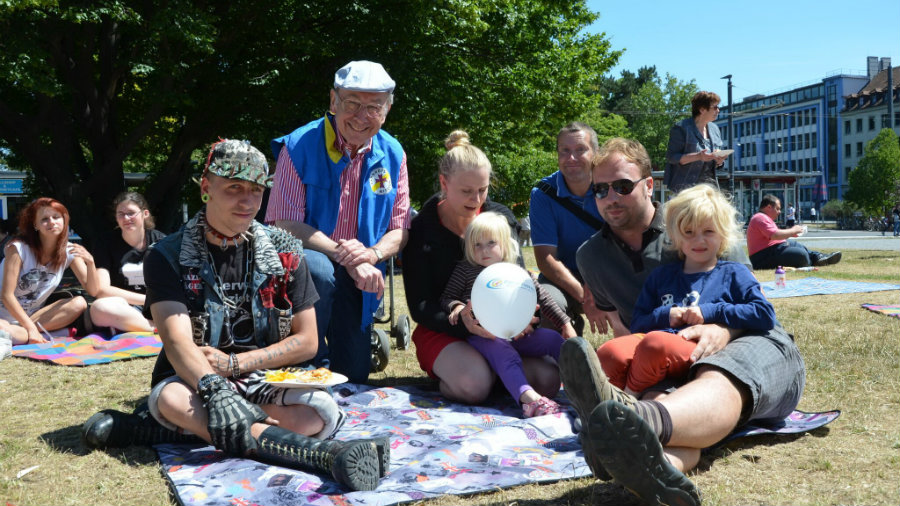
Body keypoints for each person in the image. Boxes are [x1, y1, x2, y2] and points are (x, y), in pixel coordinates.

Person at [81, 139, 387, 491]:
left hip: (266, 377)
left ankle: (150, 429)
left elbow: (308, 342)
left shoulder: (287, 252)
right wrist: (215, 388)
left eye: (256, 190)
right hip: (195, 380)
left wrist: (237, 366)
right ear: (206, 188)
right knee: (172, 399)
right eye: (234, 188)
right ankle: (323, 456)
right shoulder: (166, 255)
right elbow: (178, 343)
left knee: (315, 415)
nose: (247, 201)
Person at [560, 137, 805, 506]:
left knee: (719, 371)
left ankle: (630, 419)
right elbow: (631, 331)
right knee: (661, 394)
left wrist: (720, 328)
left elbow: (753, 304)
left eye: (623, 186)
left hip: (749, 344)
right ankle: (653, 468)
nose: (611, 197)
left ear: (648, 184)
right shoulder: (590, 257)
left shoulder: (698, 218)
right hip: (669, 363)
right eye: (600, 189)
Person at [265, 60, 411, 383]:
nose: (362, 117)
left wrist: (371, 255)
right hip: (307, 276)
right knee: (318, 267)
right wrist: (346, 255)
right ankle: (304, 363)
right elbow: (283, 224)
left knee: (354, 377)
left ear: (387, 110)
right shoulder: (299, 146)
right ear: (333, 101)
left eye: (374, 107)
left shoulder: (394, 154)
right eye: (353, 104)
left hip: (359, 275)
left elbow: (399, 229)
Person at [403, 130, 560, 404]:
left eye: (483, 190)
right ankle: (487, 376)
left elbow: (518, 280)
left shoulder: (502, 219)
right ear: (444, 182)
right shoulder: (420, 231)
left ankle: (498, 374)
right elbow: (420, 307)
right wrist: (464, 323)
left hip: (501, 334)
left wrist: (523, 316)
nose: (476, 200)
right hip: (443, 329)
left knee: (548, 380)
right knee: (473, 385)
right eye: (466, 191)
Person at [597, 184, 776, 397]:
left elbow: (764, 314)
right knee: (610, 352)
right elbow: (638, 323)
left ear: (723, 234)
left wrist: (711, 312)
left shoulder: (734, 273)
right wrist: (666, 314)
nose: (699, 240)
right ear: (676, 236)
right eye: (689, 232)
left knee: (654, 345)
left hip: (698, 350)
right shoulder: (661, 276)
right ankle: (607, 401)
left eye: (708, 231)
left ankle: (629, 401)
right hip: (655, 350)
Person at [440, 211, 572, 417]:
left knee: (553, 339)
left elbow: (543, 297)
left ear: (504, 244)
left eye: (491, 243)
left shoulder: (517, 272)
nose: (483, 250)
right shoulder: (465, 270)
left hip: (516, 333)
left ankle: (583, 384)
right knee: (505, 353)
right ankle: (529, 399)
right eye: (477, 245)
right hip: (483, 336)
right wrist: (456, 307)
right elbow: (447, 297)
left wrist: (565, 323)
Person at [529, 122, 606, 336]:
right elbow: (546, 260)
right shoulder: (543, 194)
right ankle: (567, 353)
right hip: (563, 277)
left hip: (609, 275)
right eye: (565, 150)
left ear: (596, 153)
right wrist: (586, 298)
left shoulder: (611, 186)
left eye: (580, 149)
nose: (571, 158)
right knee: (547, 305)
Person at [0, 198, 101, 344]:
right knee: (16, 333)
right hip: (5, 314)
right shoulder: (18, 248)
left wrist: (90, 263)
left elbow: (93, 290)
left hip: (31, 317)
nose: (52, 222)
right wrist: (31, 329)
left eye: (56, 217)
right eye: (45, 219)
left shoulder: (69, 250)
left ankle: (21, 334)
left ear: (64, 220)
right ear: (35, 225)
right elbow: (7, 295)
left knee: (79, 303)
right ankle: (31, 334)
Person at [89, 192, 164, 333]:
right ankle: (155, 328)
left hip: (159, 304)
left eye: (131, 213)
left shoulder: (162, 242)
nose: (126, 218)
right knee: (99, 308)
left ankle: (130, 326)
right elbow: (102, 289)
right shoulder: (105, 243)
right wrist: (146, 299)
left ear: (145, 214)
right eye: (121, 214)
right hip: (125, 307)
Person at [747, 194, 841, 269]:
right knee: (801, 255)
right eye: (778, 208)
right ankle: (814, 260)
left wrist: (791, 233)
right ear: (768, 207)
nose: (779, 212)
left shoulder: (764, 218)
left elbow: (775, 235)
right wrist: (792, 230)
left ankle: (819, 257)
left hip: (774, 250)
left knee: (798, 246)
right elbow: (774, 235)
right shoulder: (759, 218)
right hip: (762, 256)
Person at [663, 91, 729, 192]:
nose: (718, 110)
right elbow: (672, 157)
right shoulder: (681, 128)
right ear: (702, 109)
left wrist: (719, 162)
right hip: (685, 190)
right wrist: (698, 156)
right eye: (715, 107)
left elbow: (716, 164)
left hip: (709, 189)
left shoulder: (715, 129)